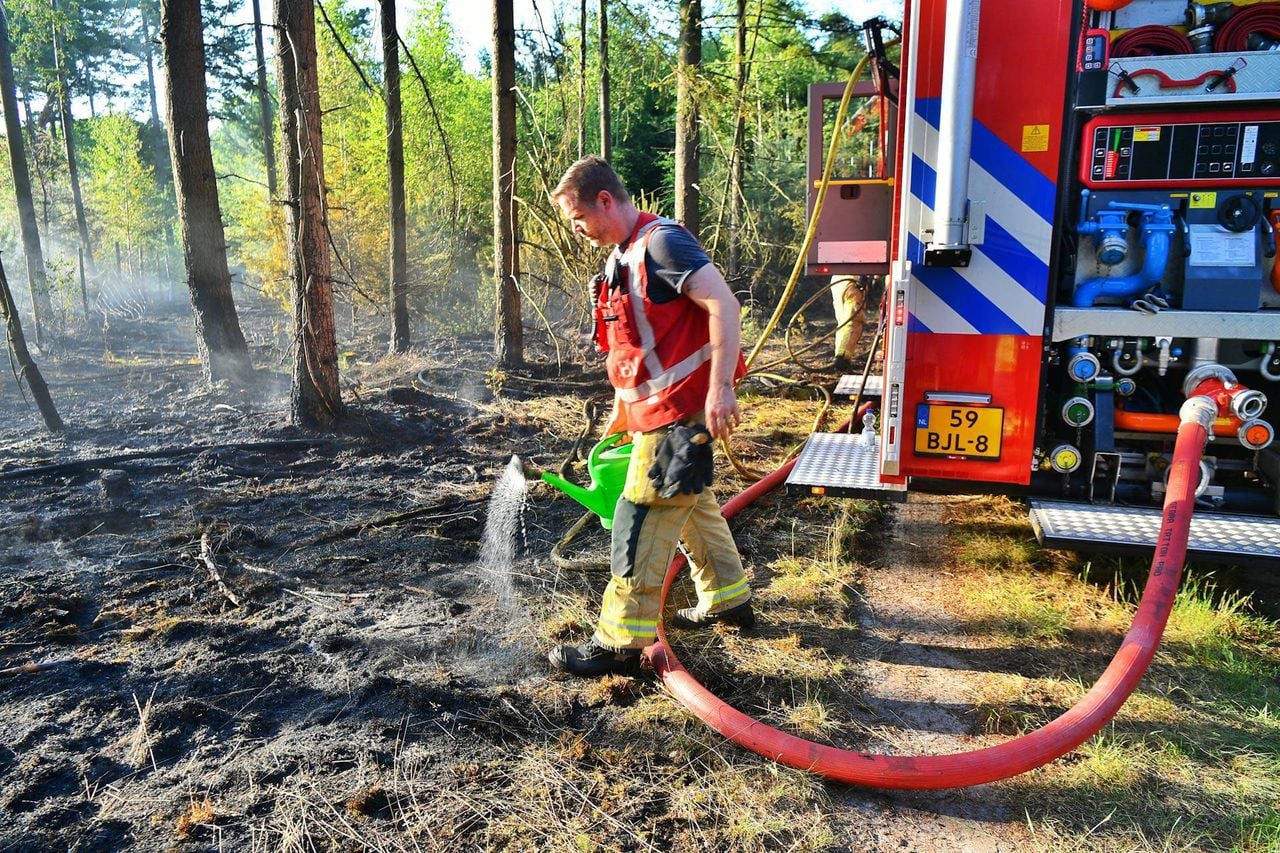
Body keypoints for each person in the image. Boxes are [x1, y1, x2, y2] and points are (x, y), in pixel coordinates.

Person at [548, 156, 755, 678]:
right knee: (696, 508)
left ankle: (619, 642)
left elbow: (723, 305)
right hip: (659, 414)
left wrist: (721, 389)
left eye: (578, 218)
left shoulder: (662, 243)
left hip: (682, 416)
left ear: (604, 200)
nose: (577, 231)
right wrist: (623, 409)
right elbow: (637, 347)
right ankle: (728, 599)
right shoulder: (623, 259)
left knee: (639, 519)